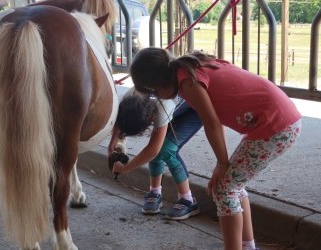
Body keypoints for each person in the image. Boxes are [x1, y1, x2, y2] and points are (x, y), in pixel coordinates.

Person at [119, 47, 302, 250]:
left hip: (276, 125)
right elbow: (214, 121)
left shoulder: (188, 82)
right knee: (231, 185)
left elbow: (211, 123)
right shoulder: (188, 68)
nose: (158, 97)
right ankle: (248, 246)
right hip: (279, 120)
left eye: (153, 92)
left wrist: (223, 164)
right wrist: (222, 163)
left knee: (224, 190)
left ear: (158, 83)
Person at [108, 86, 202, 220]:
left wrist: (125, 168)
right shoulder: (131, 97)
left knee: (167, 149)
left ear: (150, 118)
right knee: (158, 147)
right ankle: (155, 192)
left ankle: (188, 200)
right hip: (173, 105)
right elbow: (121, 120)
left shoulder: (163, 108)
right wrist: (112, 143)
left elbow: (153, 150)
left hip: (195, 109)